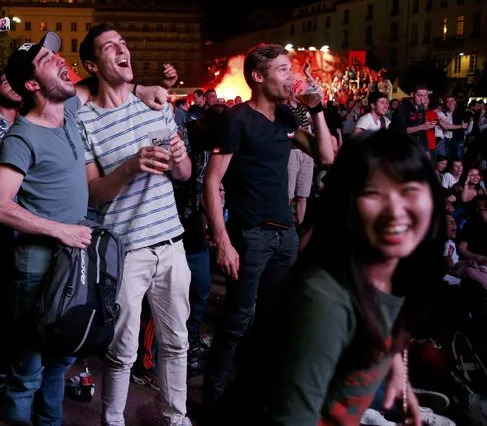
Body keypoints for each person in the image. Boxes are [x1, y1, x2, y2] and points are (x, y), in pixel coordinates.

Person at [0, 30, 173, 426]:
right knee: (27, 373)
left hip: (70, 267)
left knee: (59, 363)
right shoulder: (21, 137)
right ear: (33, 85)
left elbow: (98, 81)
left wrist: (141, 87)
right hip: (35, 271)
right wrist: (60, 231)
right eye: (46, 61)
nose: (59, 60)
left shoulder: (70, 110)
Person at [221, 129, 447, 425]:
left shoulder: (402, 270)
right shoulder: (325, 301)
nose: (395, 211)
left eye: (409, 190)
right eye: (372, 193)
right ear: (348, 205)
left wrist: (400, 377)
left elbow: (393, 324)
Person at [202, 43, 334, 407]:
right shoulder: (237, 119)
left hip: (285, 235)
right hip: (251, 235)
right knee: (236, 320)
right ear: (258, 77)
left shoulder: (289, 118)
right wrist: (224, 241)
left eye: (289, 69)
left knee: (272, 319)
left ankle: (251, 392)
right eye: (282, 70)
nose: (290, 77)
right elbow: (212, 182)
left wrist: (317, 108)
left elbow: (326, 156)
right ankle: (213, 400)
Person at [78, 23, 192, 426]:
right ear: (93, 64)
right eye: (111, 47)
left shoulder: (154, 104)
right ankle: (113, 420)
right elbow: (93, 192)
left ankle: (176, 418)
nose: (122, 50)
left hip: (171, 243)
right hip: (125, 252)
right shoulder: (85, 121)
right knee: (122, 348)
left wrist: (178, 156)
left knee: (176, 342)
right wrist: (129, 166)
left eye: (123, 44)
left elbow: (184, 173)